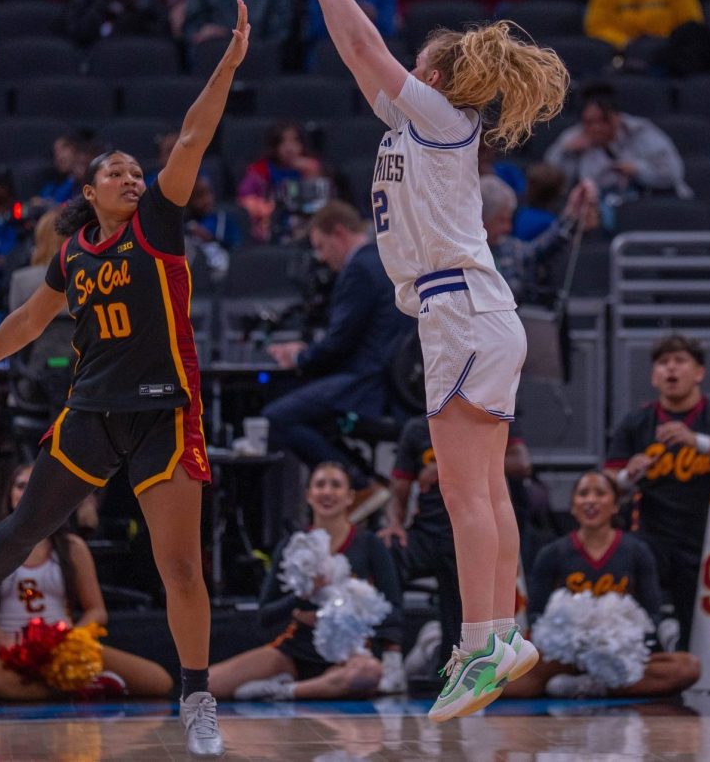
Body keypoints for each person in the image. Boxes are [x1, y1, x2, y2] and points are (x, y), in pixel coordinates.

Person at [262, 0, 569, 722]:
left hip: (460, 310)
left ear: (439, 76)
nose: (403, 69)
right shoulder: (420, 124)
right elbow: (356, 57)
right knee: (488, 491)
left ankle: (479, 644)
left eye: (418, 62)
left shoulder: (441, 118)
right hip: (474, 310)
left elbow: (369, 51)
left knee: (463, 492)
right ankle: (503, 631)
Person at [0, 1, 254, 759]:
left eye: (134, 169)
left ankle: (196, 696)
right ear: (88, 193)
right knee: (25, 525)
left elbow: (192, 134)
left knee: (179, 564)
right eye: (115, 171)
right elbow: (24, 325)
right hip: (91, 408)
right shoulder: (73, 256)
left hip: (163, 413)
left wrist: (227, 63)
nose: (131, 175)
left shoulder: (159, 221)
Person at [0, 464, 172, 700]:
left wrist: (72, 642)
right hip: (13, 654)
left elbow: (97, 611)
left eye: (36, 486)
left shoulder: (72, 547)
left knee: (159, 681)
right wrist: (7, 641)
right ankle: (79, 686)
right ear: (10, 495)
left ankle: (63, 680)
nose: (27, 493)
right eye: (21, 486)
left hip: (65, 647)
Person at [604, 335, 710, 650]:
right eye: (663, 362)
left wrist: (695, 440)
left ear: (699, 373)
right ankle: (642, 642)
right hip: (654, 536)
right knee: (626, 552)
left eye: (680, 361)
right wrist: (628, 475)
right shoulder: (637, 422)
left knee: (696, 640)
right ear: (653, 376)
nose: (671, 368)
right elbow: (608, 481)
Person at [259, 200, 410, 518]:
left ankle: (359, 484)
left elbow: (338, 344)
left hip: (368, 385)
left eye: (322, 247)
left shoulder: (359, 268)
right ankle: (364, 482)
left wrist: (300, 357)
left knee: (279, 416)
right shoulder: (384, 261)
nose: (322, 258)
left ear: (339, 233)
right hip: (391, 382)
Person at [209, 462, 403, 701]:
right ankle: (308, 684)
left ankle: (285, 691)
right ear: (308, 495)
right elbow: (265, 614)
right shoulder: (292, 546)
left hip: (348, 653)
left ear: (350, 497)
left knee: (367, 673)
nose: (327, 492)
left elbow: (393, 607)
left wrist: (352, 619)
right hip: (295, 651)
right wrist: (299, 598)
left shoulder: (369, 544)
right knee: (207, 684)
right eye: (320, 485)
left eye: (336, 485)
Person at [503, 470, 700, 699]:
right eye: (583, 494)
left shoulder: (638, 551)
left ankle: (588, 685)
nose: (591, 501)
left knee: (687, 667)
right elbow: (536, 615)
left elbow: (652, 615)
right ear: (573, 506)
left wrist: (618, 638)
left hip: (621, 656)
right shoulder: (552, 553)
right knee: (505, 684)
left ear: (615, 505)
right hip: (565, 659)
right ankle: (602, 685)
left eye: (600, 493)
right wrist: (571, 638)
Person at [380, 416, 531, 684]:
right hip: (426, 531)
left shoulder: (489, 419)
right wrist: (394, 524)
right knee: (385, 552)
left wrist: (448, 467)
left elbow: (521, 464)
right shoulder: (417, 428)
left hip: (469, 534)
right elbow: (399, 488)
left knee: (459, 615)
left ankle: (462, 669)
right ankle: (389, 653)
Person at [544, 86, 691, 201]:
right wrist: (566, 153)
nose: (596, 128)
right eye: (589, 122)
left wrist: (638, 170)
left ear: (616, 116)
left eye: (603, 120)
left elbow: (673, 173)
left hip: (648, 198)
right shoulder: (573, 138)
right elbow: (550, 185)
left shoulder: (641, 132)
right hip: (599, 207)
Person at [481, 175, 598, 304]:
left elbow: (542, 248)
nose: (508, 228)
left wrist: (572, 213)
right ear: (481, 219)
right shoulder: (463, 256)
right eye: (501, 220)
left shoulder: (509, 248)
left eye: (509, 219)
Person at [236, 120, 325, 244]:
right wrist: (265, 208)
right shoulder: (260, 170)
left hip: (305, 222)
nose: (289, 148)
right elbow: (245, 198)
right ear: (274, 145)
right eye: (283, 142)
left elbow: (320, 199)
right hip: (272, 224)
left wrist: (310, 172)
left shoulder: (311, 167)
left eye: (294, 141)